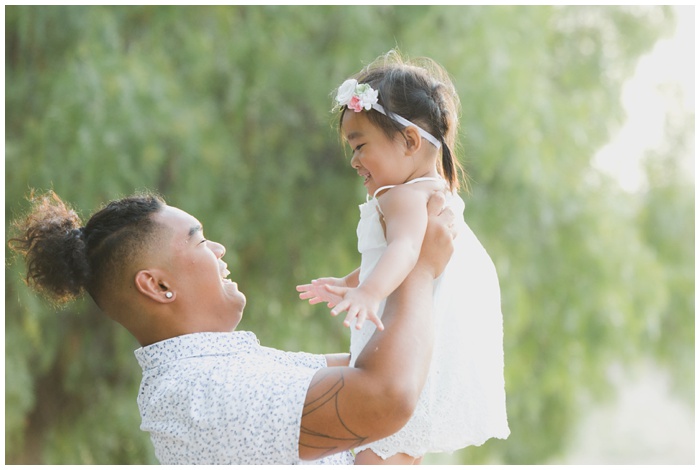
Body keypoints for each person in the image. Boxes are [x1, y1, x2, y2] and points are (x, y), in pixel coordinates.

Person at [8, 188, 455, 465]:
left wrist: (397, 252)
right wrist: (419, 269)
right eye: (200, 240)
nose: (219, 248)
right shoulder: (195, 393)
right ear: (159, 285)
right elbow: (388, 396)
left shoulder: (228, 368)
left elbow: (404, 377)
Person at [297, 51, 510, 464]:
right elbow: (401, 256)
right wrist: (352, 281)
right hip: (436, 331)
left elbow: (406, 250)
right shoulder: (429, 192)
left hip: (412, 333)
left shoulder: (401, 196)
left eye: (360, 146)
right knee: (403, 444)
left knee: (381, 445)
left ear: (410, 141)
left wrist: (370, 293)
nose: (355, 160)